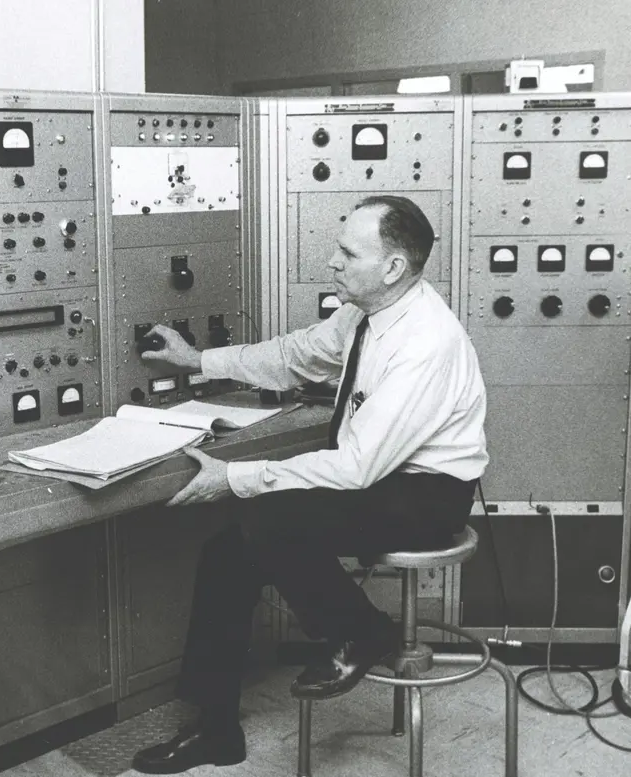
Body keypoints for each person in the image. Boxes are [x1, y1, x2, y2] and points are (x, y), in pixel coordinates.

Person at [131, 195, 488, 774]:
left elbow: (354, 469)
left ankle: (363, 631)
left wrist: (234, 477)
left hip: (427, 494)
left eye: (348, 252)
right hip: (380, 477)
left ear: (393, 268)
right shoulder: (364, 315)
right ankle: (216, 728)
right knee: (229, 550)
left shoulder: (427, 342)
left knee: (265, 516)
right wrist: (198, 360)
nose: (331, 262)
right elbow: (297, 356)